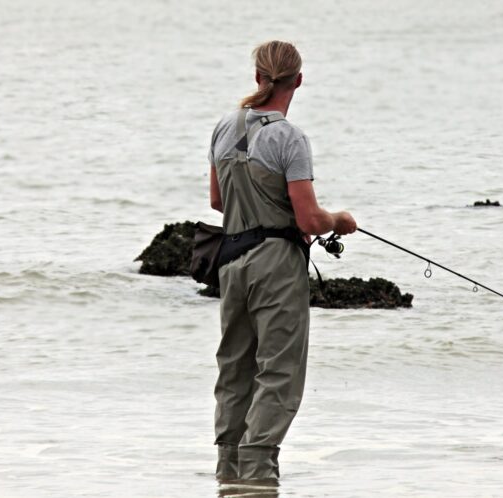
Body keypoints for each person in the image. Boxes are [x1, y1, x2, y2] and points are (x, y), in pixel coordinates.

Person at [207, 40, 357, 482]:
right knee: (279, 371)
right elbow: (310, 217)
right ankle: (257, 472)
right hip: (275, 264)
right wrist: (341, 221)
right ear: (299, 81)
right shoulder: (289, 137)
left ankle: (228, 473)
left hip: (230, 261)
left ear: (258, 77)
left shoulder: (222, 127)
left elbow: (218, 201)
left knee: (234, 368)